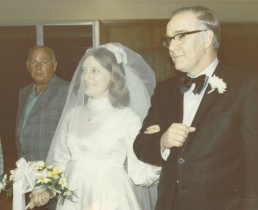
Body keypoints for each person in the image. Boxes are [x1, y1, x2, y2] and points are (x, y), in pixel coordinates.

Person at [133, 5, 258, 210]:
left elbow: (255, 164)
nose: (172, 47)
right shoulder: (164, 91)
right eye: (169, 39)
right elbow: (141, 145)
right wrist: (163, 140)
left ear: (207, 38)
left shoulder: (246, 86)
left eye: (180, 36)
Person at [28, 43, 161, 210]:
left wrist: (159, 149)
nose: (85, 77)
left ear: (113, 76)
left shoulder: (127, 119)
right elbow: (59, 162)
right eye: (84, 70)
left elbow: (140, 175)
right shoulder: (73, 115)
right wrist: (47, 190)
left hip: (111, 200)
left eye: (95, 71)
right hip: (73, 200)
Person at [15, 45, 69, 162]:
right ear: (27, 66)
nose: (38, 67)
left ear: (54, 66)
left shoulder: (66, 90)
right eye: (33, 62)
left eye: (44, 62)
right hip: (24, 165)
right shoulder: (23, 92)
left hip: (51, 168)